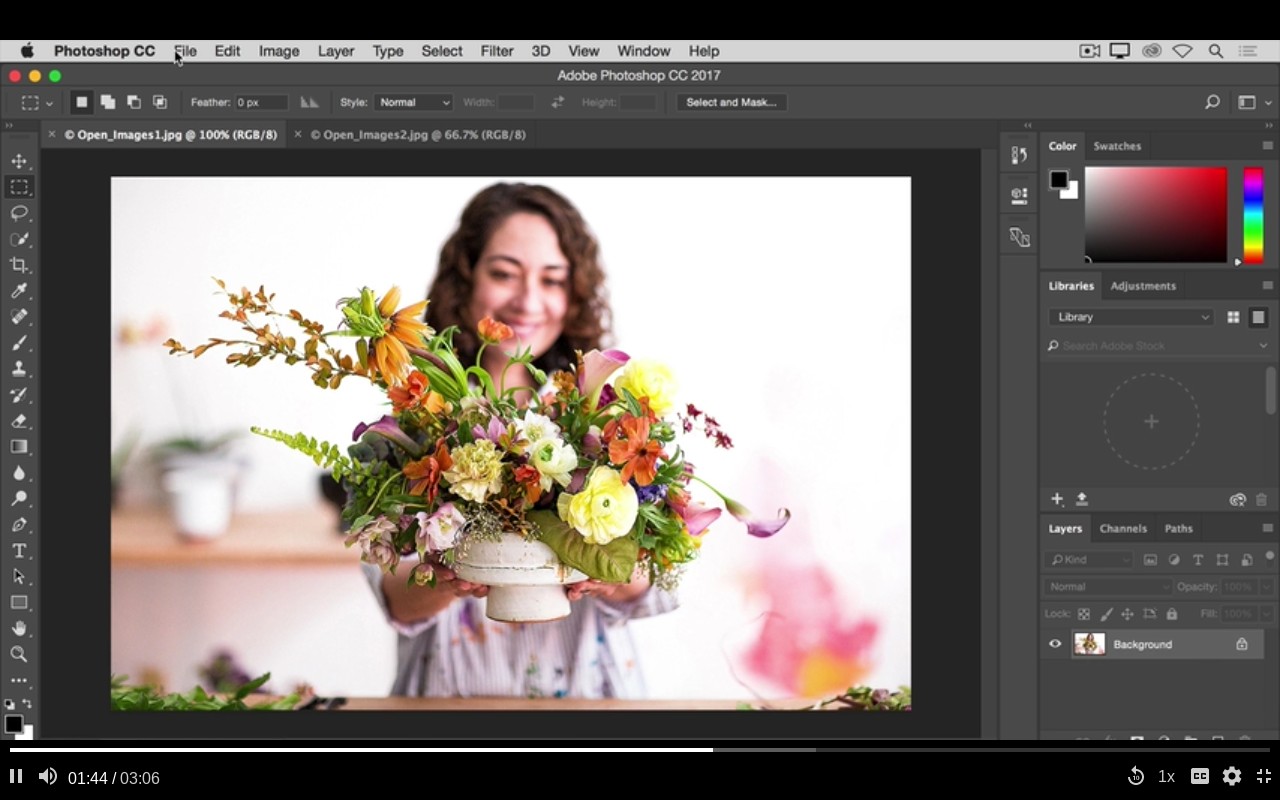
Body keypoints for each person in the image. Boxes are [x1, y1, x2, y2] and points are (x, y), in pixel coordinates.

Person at [362, 182, 677, 698]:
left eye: (552, 279)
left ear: (574, 293)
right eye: (504, 273)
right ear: (464, 280)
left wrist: (607, 575)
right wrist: (444, 577)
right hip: (448, 704)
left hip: (589, 701)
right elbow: (393, 597)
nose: (529, 300)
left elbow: (653, 586)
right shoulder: (415, 418)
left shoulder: (607, 417)